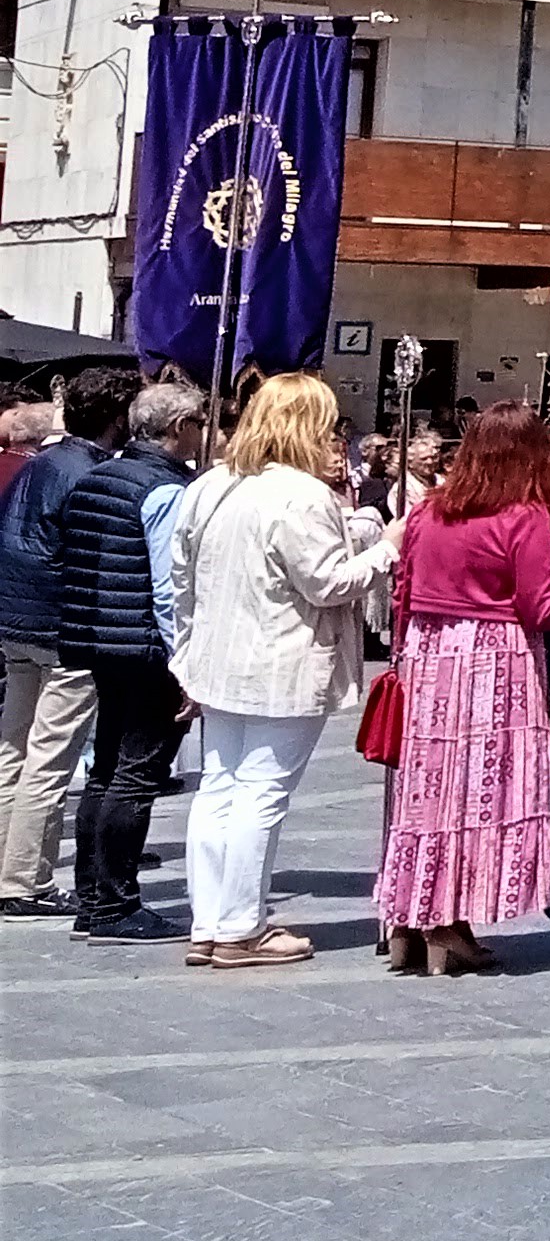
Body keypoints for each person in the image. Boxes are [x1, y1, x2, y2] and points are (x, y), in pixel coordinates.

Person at [379, 405, 550, 971]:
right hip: (493, 665)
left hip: (430, 664)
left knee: (430, 794)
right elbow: (542, 607)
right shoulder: (522, 516)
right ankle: (449, 924)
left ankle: (410, 915)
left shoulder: (427, 511)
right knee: (478, 794)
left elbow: (403, 593)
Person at [164, 373, 391, 967]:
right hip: (281, 663)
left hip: (218, 658)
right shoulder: (300, 495)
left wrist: (184, 654)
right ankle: (239, 927)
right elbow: (328, 583)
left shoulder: (211, 484)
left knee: (220, 788)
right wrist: (388, 550)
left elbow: (179, 580)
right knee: (260, 793)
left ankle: (210, 921)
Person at [44, 380, 209, 943]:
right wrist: (182, 661)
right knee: (136, 775)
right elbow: (169, 586)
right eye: (198, 424)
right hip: (143, 645)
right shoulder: (163, 489)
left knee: (107, 770)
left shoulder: (99, 476)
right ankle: (115, 904)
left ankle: (93, 900)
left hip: (98, 637)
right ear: (179, 427)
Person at [0, 371, 129, 916]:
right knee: (49, 759)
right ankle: (23, 880)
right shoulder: (91, 473)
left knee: (13, 750)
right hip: (61, 631)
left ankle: (8, 869)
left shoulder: (42, 464)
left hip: (16, 619)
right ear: (117, 419)